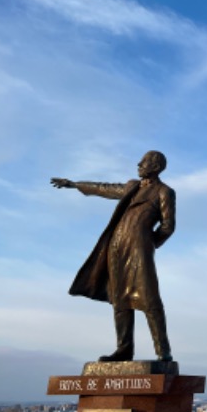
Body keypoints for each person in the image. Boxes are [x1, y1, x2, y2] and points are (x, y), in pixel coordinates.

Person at [51, 151, 175, 362]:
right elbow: (104, 189)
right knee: (120, 300)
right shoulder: (131, 186)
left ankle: (163, 351)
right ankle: (124, 349)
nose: (139, 164)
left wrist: (148, 242)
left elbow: (168, 226)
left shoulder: (164, 192)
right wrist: (75, 184)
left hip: (139, 250)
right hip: (116, 248)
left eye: (143, 162)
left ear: (155, 166)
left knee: (150, 299)